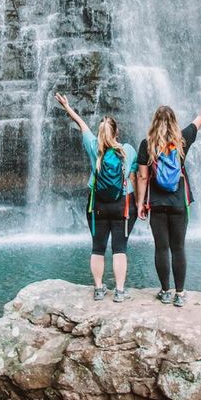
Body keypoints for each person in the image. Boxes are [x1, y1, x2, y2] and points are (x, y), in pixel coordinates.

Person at [136, 78, 201, 307]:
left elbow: (143, 176)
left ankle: (165, 291)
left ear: (154, 122)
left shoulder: (147, 144)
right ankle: (180, 293)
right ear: (174, 121)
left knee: (161, 248)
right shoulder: (183, 139)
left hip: (156, 203)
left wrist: (139, 204)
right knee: (178, 247)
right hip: (179, 202)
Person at [55, 93, 138, 303]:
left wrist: (67, 106)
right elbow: (136, 176)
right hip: (122, 205)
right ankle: (119, 291)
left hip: (98, 205)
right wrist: (140, 203)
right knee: (120, 248)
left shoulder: (94, 148)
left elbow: (81, 124)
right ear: (117, 131)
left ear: (100, 132)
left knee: (98, 247)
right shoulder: (127, 150)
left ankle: (99, 289)